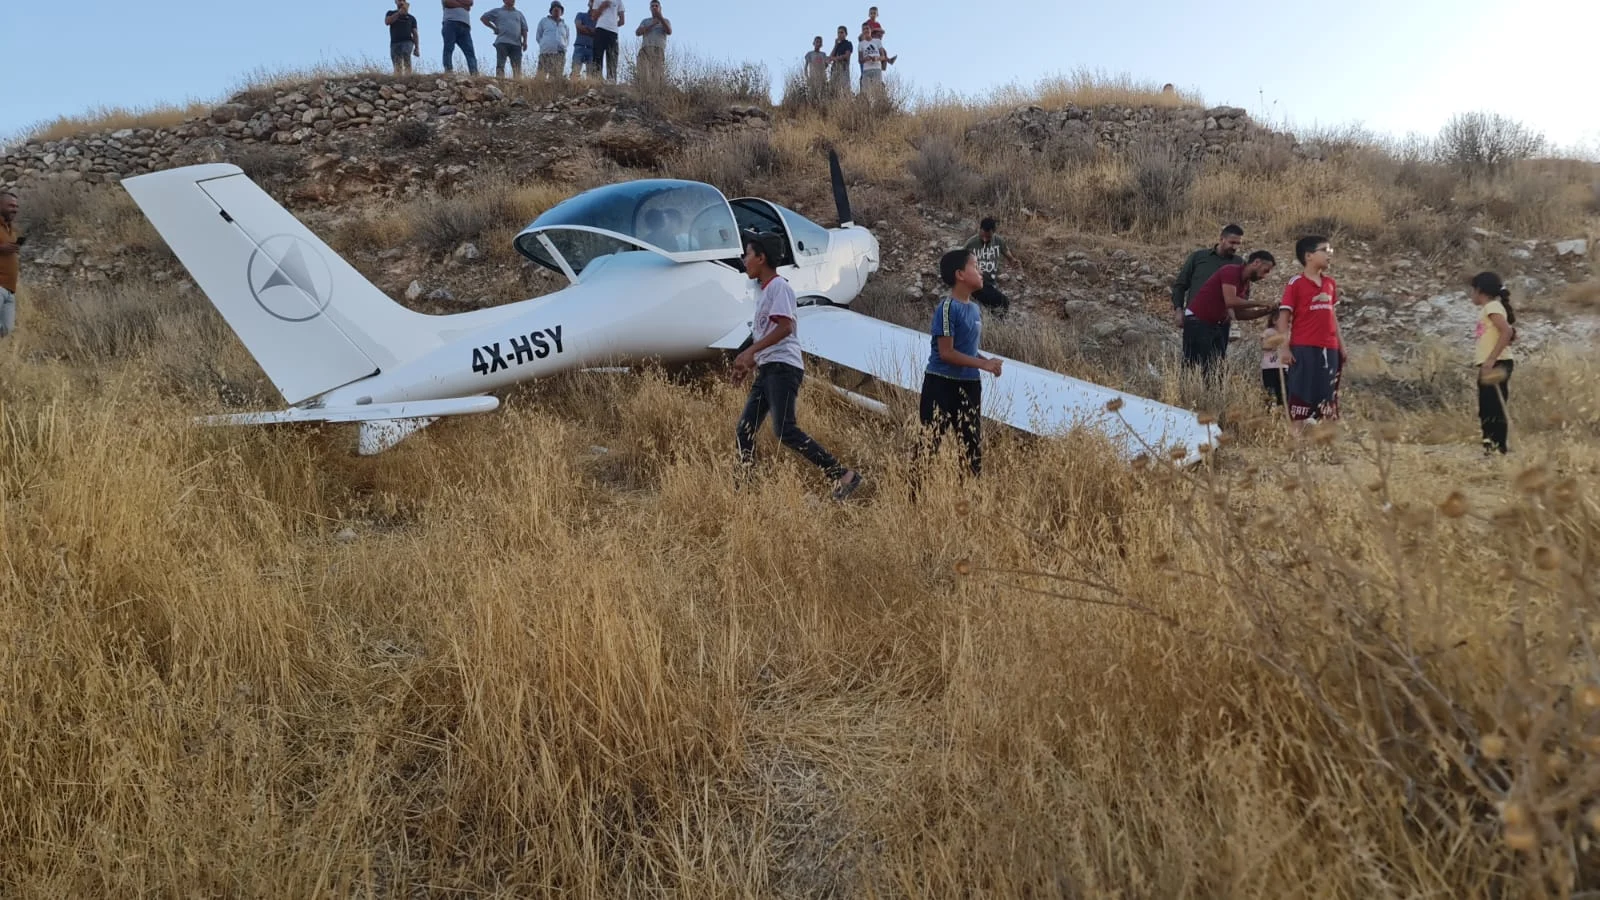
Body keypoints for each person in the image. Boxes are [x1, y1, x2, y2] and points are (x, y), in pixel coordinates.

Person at [733, 231, 864, 501]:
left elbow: (786, 327)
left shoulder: (779, 287)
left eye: (747, 254)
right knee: (745, 429)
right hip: (769, 368)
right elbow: (768, 333)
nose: (744, 260)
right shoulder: (766, 291)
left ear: (761, 257)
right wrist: (749, 360)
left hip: (782, 368)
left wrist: (751, 352)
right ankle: (743, 492)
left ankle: (843, 475)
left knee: (785, 430)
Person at [920, 249, 1003, 478]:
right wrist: (981, 365)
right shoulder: (947, 308)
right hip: (941, 384)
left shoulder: (975, 309)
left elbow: (967, 349)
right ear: (960, 275)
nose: (980, 271)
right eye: (975, 267)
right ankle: (912, 499)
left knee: (971, 448)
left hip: (969, 385)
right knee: (928, 445)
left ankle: (968, 502)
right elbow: (946, 352)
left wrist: (986, 362)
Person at [1275, 235, 1345, 429]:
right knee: (1300, 396)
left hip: (1329, 348)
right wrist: (1285, 348)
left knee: (1328, 395)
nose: (1329, 254)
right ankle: (1296, 444)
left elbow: (1333, 316)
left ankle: (1327, 444)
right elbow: (1283, 318)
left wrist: (1341, 346)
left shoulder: (1330, 283)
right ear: (1309, 256)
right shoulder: (1295, 283)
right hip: (1304, 347)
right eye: (1325, 250)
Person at [1181, 250, 1277, 381]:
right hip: (1199, 321)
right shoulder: (1231, 271)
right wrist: (1262, 303)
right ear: (1256, 262)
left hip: (1218, 324)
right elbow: (1230, 301)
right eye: (1265, 270)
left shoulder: (1245, 283)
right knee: (1194, 366)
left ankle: (1210, 397)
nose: (1264, 276)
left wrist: (1265, 311)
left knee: (1216, 368)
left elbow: (1238, 314)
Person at [1469, 271, 1517, 454]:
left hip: (1496, 363)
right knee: (1488, 405)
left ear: (1479, 290)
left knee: (1493, 406)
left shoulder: (1492, 308)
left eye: (1472, 290)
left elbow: (1505, 331)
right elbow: (1508, 332)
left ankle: (1497, 447)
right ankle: (1491, 445)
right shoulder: (1491, 308)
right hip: (1493, 362)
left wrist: (1491, 359)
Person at [1171, 224, 1245, 328]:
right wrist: (1178, 311)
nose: (1235, 247)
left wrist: (1234, 313)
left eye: (1238, 243)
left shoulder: (1239, 263)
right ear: (1221, 239)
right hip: (1195, 319)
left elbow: (1243, 292)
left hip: (1221, 323)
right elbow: (1180, 285)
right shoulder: (1198, 257)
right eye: (1232, 242)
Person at [962, 216, 1019, 314]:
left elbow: (1006, 252)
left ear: (994, 232)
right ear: (979, 230)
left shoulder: (998, 241)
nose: (985, 240)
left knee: (995, 305)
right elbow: (960, 261)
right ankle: (996, 324)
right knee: (1003, 302)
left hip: (991, 283)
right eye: (982, 235)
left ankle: (992, 323)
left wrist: (1012, 260)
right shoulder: (971, 243)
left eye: (988, 237)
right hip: (977, 284)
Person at [481, 0, 529, 78]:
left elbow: (524, 29)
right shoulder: (498, 11)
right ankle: (500, 82)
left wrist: (525, 41)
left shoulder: (519, 14)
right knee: (500, 65)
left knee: (517, 69)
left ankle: (517, 86)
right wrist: (494, 28)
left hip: (516, 44)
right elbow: (483, 18)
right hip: (502, 42)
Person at [633, 1, 671, 88]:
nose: (654, 7)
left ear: (660, 8)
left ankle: (655, 92)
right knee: (643, 72)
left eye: (656, 6)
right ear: (650, 8)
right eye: (652, 6)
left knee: (657, 74)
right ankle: (643, 91)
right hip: (645, 48)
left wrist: (660, 18)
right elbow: (638, 32)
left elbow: (669, 31)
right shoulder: (645, 21)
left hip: (658, 49)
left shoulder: (665, 21)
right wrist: (653, 24)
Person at [0, 192, 20, 339]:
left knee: (6, 330)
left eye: (16, 206)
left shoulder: (10, 229)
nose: (15, 209)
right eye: (11, 205)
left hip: (10, 289)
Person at [589, 0, 625, 82]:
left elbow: (622, 21)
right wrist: (602, 7)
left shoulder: (618, 1)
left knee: (612, 57)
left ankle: (611, 80)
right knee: (597, 55)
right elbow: (593, 16)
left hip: (613, 32)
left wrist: (613, 26)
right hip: (600, 29)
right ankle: (596, 80)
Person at [857, 25, 895, 101]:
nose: (866, 30)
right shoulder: (861, 44)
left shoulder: (877, 41)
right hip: (866, 70)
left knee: (877, 91)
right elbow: (860, 60)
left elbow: (883, 56)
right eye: (864, 29)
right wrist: (865, 59)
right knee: (866, 94)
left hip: (876, 68)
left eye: (867, 28)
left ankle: (878, 109)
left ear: (870, 30)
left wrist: (877, 58)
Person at [441, 0, 480, 74]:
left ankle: (474, 72)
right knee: (448, 48)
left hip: (465, 26)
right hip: (450, 23)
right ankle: (448, 71)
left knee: (470, 51)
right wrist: (463, 5)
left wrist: (457, 3)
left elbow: (470, 3)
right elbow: (448, 2)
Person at [533, 2, 568, 79]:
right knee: (540, 77)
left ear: (561, 12)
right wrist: (544, 44)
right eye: (554, 8)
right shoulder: (544, 21)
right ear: (551, 11)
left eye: (558, 9)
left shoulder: (565, 26)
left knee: (556, 78)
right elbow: (538, 36)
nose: (556, 10)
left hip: (560, 54)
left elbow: (567, 39)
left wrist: (563, 47)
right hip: (545, 53)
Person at [386, 1, 422, 74]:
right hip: (394, 42)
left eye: (403, 0)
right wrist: (399, 13)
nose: (401, 2)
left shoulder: (411, 18)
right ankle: (398, 78)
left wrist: (417, 48)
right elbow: (387, 22)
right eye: (399, 0)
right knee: (397, 63)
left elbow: (415, 33)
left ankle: (408, 76)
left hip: (407, 41)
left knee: (406, 55)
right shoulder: (390, 13)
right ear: (396, 2)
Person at [1260, 319, 1287, 406]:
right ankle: (1270, 411)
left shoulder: (1287, 331)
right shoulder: (1268, 332)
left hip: (1283, 366)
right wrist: (1276, 343)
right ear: (1274, 320)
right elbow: (1264, 345)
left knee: (1283, 391)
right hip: (1269, 367)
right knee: (1269, 391)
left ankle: (1282, 409)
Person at [569, 4, 596, 77]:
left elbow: (598, 34)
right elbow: (579, 27)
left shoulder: (599, 20)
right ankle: (574, 87)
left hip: (592, 49)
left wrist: (585, 28)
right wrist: (592, 31)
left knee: (591, 75)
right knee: (575, 72)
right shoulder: (580, 15)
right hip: (580, 46)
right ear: (589, 3)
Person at [827, 26, 854, 98]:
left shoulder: (848, 43)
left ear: (846, 34)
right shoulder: (837, 45)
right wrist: (835, 45)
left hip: (843, 69)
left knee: (845, 89)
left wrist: (835, 58)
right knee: (833, 90)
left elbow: (847, 56)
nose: (839, 34)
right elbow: (829, 59)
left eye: (841, 32)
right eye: (838, 33)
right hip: (835, 70)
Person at [804, 37, 830, 103]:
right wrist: (807, 77)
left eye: (820, 42)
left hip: (822, 78)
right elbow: (806, 67)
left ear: (821, 44)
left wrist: (827, 63)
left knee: (822, 96)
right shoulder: (809, 54)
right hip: (813, 77)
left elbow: (825, 66)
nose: (818, 44)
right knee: (812, 96)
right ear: (813, 43)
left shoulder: (823, 54)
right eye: (817, 42)